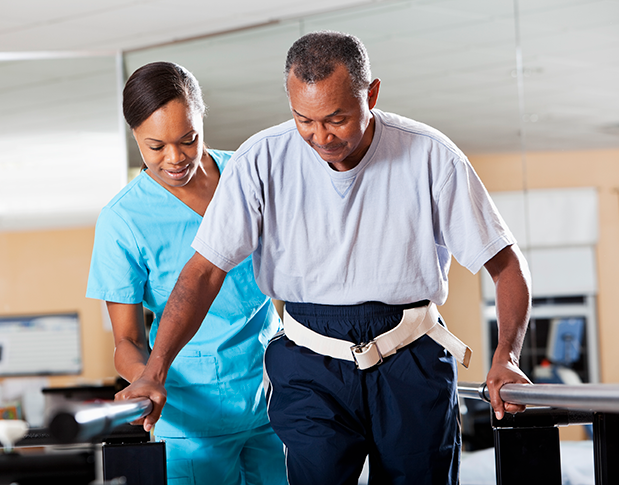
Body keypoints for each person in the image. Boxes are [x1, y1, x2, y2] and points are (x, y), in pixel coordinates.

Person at [118, 32, 533, 485]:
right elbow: (203, 272)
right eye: (304, 119)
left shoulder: (431, 156)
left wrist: (507, 355)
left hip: (410, 355)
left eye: (337, 118)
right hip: (308, 362)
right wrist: (153, 372)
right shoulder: (260, 160)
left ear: (371, 94)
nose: (321, 136)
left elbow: (506, 264)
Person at [86, 61, 286, 485]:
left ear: (201, 120)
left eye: (188, 139)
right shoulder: (123, 220)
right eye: (155, 146)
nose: (175, 159)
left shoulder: (246, 175)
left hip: (273, 398)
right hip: (191, 416)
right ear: (135, 137)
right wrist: (145, 378)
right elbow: (126, 340)